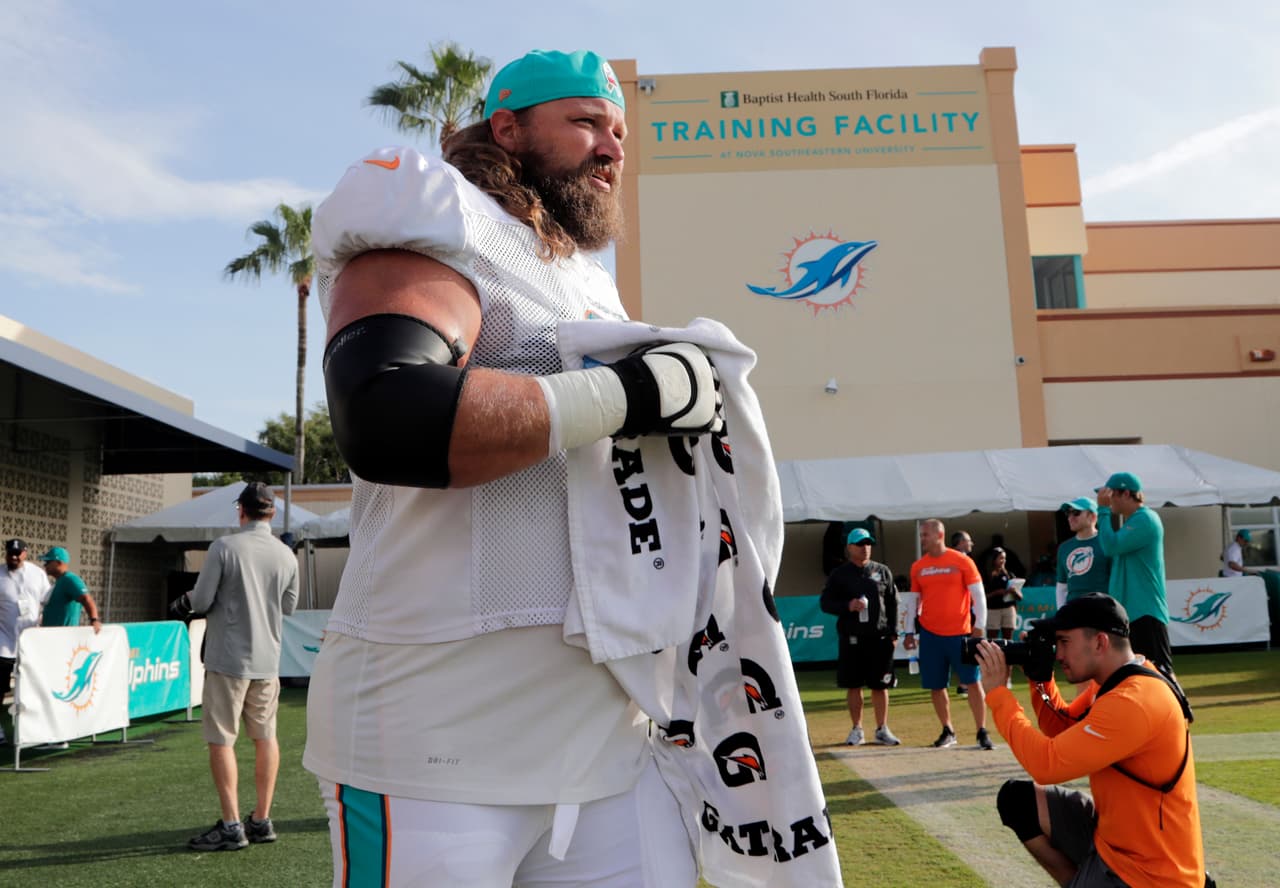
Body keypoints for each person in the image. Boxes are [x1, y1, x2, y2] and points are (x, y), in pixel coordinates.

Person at [303, 49, 725, 886]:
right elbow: (387, 412)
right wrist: (624, 397)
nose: (611, 147)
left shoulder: (589, 285)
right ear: (507, 127)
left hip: (607, 742)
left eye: (619, 133)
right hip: (435, 741)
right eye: (585, 122)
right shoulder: (443, 214)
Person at [974, 594, 1207, 887]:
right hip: (1114, 843)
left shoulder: (1133, 700)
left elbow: (1047, 764)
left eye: (1064, 642)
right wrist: (1040, 679)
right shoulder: (1116, 683)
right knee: (1018, 800)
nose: (1058, 653)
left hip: (1150, 874)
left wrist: (998, 694)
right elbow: (1061, 728)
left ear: (1099, 642)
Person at [180, 482, 299, 852]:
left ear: (241, 510)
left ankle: (232, 825)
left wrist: (183, 601)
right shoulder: (286, 555)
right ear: (272, 512)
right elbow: (289, 607)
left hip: (228, 658)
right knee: (266, 737)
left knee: (222, 740)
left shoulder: (224, 547)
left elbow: (199, 600)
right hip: (267, 660)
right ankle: (261, 819)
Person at [904, 518, 993, 750]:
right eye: (921, 535)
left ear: (939, 535)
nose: (922, 539)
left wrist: (980, 625)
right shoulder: (918, 567)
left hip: (961, 634)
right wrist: (909, 630)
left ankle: (982, 730)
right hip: (930, 635)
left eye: (925, 535)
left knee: (972, 682)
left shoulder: (962, 561)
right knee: (936, 685)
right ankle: (948, 730)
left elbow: (978, 594)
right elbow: (913, 601)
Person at [820, 528, 901, 746]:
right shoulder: (839, 574)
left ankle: (882, 728)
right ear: (849, 547)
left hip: (880, 638)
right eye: (860, 543)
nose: (865, 547)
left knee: (880, 685)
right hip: (852, 638)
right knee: (854, 684)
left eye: (868, 543)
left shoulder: (882, 571)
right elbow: (825, 603)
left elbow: (893, 602)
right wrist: (848, 605)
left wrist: (894, 632)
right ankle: (857, 729)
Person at [1095, 472, 1173, 675]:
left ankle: (1182, 709)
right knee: (1137, 677)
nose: (1106, 501)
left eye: (1110, 496)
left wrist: (1102, 511)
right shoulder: (1134, 521)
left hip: (1145, 612)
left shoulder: (1145, 520)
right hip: (1133, 612)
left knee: (1160, 674)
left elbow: (1110, 546)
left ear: (1126, 494)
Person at [0, 538, 51, 744]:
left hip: (31, 642)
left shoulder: (37, 574)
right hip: (3, 641)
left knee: (33, 686)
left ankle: (33, 729)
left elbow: (47, 601)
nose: (14, 556)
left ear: (25, 553)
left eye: (18, 552)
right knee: (0, 688)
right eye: (10, 553)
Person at [1055, 497, 1111, 608]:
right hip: (1073, 611)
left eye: (1076, 513)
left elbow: (1118, 580)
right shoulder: (1064, 547)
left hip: (1103, 610)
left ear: (1093, 516)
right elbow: (1062, 586)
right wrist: (1061, 614)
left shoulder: (1108, 542)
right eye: (1068, 513)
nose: (1070, 518)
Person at [37, 547, 102, 633]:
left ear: (59, 562)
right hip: (52, 636)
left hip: (64, 637)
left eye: (48, 562)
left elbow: (86, 599)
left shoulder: (70, 579)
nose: (45, 565)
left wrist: (94, 620)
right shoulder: (59, 581)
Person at [984, 548, 1021, 641]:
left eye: (1004, 558)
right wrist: (997, 592)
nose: (1003, 561)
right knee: (992, 640)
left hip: (1008, 609)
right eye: (1000, 558)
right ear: (993, 559)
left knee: (1008, 640)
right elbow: (983, 596)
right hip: (993, 609)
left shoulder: (1010, 575)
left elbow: (1020, 597)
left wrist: (1014, 591)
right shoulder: (986, 575)